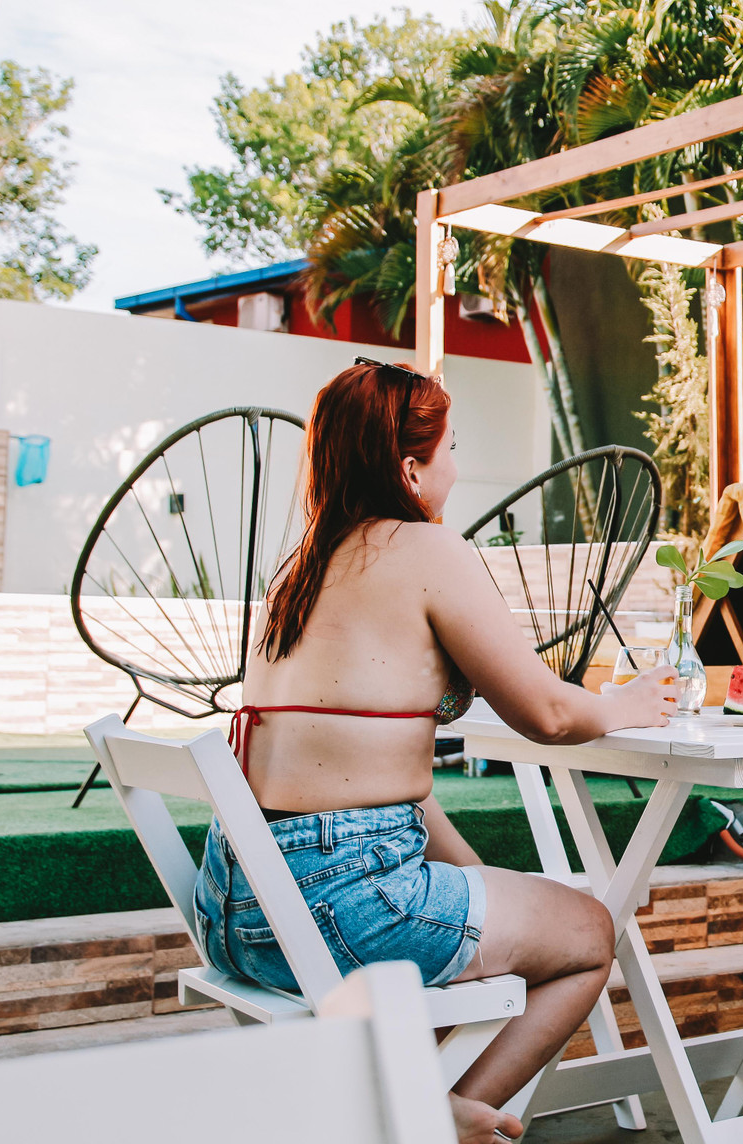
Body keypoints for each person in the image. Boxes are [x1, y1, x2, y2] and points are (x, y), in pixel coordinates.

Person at [192, 359, 677, 1144]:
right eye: (451, 446)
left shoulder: (304, 567)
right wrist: (627, 704)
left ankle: (411, 1099)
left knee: (517, 908)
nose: (457, 464)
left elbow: (385, 784)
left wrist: (473, 876)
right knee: (591, 932)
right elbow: (550, 714)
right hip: (344, 909)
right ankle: (429, 1119)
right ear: (410, 468)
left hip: (237, 904)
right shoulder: (424, 550)